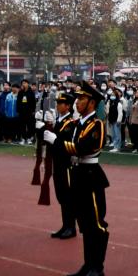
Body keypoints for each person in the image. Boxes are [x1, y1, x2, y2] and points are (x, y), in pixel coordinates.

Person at [41, 80, 109, 276]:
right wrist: (45, 128)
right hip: (78, 174)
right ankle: (88, 265)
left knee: (96, 224)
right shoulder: (79, 124)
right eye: (77, 98)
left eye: (82, 99)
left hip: (91, 175)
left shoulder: (96, 125)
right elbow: (64, 143)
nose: (77, 102)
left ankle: (97, 268)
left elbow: (82, 147)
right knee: (85, 225)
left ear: (92, 102)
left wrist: (55, 140)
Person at [42, 91, 78, 239]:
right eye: (57, 103)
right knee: (61, 195)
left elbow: (66, 143)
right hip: (57, 162)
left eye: (60, 103)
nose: (57, 105)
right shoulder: (59, 121)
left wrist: (54, 137)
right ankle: (65, 225)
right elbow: (48, 139)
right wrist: (43, 126)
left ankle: (71, 227)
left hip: (66, 163)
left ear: (68, 106)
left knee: (68, 195)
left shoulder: (70, 123)